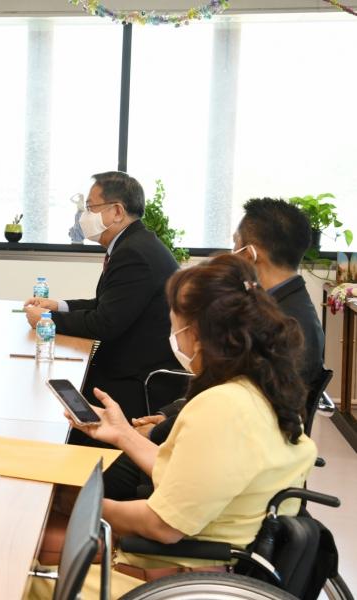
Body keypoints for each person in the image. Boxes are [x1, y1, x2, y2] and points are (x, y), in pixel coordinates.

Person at [29, 254, 318, 599]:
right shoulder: (261, 392)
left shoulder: (223, 407)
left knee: (18, 575)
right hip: (205, 569)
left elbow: (162, 525)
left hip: (174, 582)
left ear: (198, 335)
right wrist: (122, 433)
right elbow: (188, 477)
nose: (173, 339)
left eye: (174, 327)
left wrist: (71, 503)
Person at [104, 198, 326, 501]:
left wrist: (159, 431)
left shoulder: (287, 326)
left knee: (92, 477)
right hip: (211, 438)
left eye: (235, 245)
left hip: (226, 463)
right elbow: (226, 381)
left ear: (250, 254)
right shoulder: (276, 307)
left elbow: (238, 409)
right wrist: (167, 416)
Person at [24, 171, 180, 428]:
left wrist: (48, 319)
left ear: (117, 211)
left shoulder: (134, 253)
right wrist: (59, 306)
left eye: (90, 207)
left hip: (136, 379)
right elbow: (106, 304)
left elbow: (105, 323)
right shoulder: (133, 243)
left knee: (54, 403)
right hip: (129, 364)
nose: (84, 216)